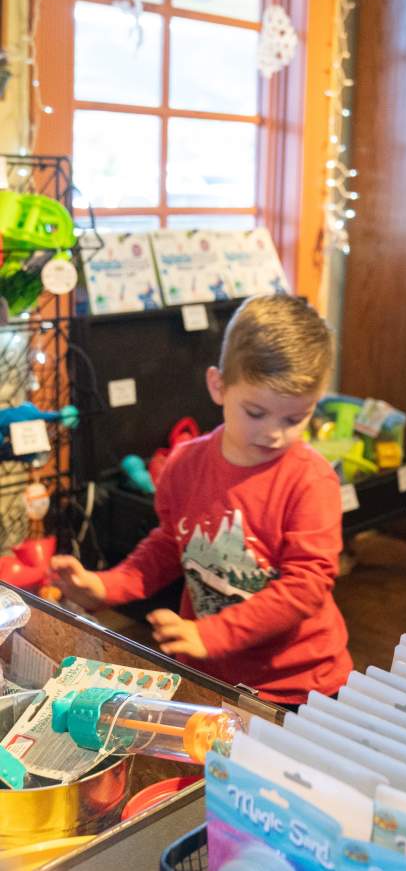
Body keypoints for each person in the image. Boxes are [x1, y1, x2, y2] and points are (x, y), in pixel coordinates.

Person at [52, 294, 353, 708]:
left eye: (293, 419)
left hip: (299, 687)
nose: (274, 434)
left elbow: (306, 587)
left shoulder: (310, 479)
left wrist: (211, 634)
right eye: (256, 412)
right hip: (208, 675)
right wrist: (107, 585)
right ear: (218, 385)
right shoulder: (185, 463)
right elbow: (170, 543)